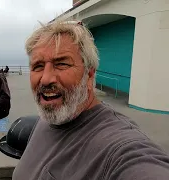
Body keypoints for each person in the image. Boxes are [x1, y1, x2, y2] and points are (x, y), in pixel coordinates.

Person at [12, 19, 169, 179]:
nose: (45, 79)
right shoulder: (48, 118)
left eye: (61, 64)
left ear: (89, 75)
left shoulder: (117, 146)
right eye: (38, 66)